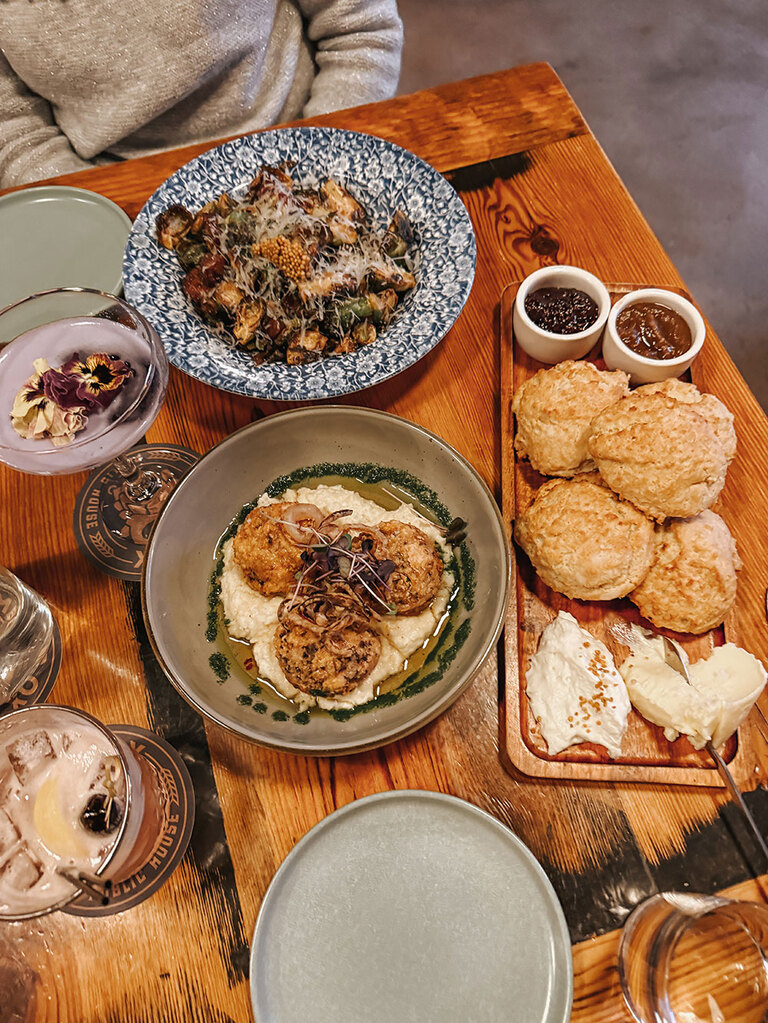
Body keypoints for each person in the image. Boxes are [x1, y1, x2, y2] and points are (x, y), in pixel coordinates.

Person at [0, 0, 403, 188]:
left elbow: (361, 31)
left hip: (305, 146)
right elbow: (17, 136)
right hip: (117, 196)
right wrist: (107, 218)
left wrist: (318, 170)